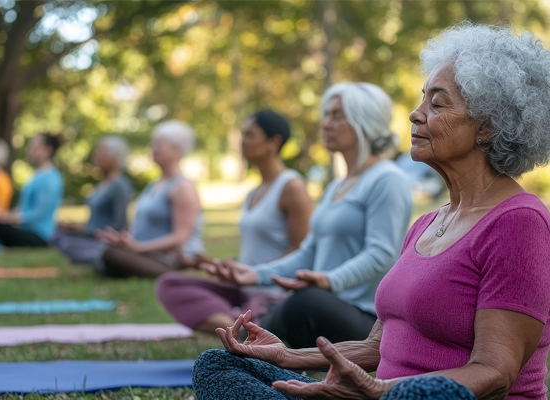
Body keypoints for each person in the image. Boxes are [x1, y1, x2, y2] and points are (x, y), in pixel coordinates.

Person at [192, 22, 550, 400]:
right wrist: (287, 356)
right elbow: (378, 347)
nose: (415, 114)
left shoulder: (519, 223)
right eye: (421, 99)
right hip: (378, 393)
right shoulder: (427, 223)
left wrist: (381, 392)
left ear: (487, 127)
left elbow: (495, 374)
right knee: (219, 366)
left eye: (437, 103)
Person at [201, 82, 413, 349]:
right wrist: (255, 274)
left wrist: (329, 280)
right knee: (303, 299)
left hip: (365, 318)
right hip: (322, 305)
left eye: (336, 116)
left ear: (365, 121)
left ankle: (247, 344)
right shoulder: (337, 185)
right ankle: (252, 342)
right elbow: (308, 252)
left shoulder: (387, 179)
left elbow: (382, 254)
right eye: (326, 115)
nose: (325, 124)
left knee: (305, 299)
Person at [156, 109, 313, 333]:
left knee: (257, 307)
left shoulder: (291, 187)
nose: (242, 141)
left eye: (250, 135)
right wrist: (226, 265)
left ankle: (247, 327)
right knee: (169, 284)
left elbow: (302, 251)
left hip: (275, 294)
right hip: (244, 287)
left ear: (273, 142)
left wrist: (257, 274)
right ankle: (242, 329)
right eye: (243, 134)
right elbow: (258, 251)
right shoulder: (253, 192)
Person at [96, 120, 205, 278]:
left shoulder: (183, 188)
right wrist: (123, 239)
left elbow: (181, 237)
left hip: (171, 261)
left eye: (159, 145)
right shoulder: (153, 185)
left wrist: (138, 248)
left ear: (177, 150)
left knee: (110, 254)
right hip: (144, 254)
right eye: (153, 144)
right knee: (107, 250)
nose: (153, 149)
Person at [52, 136, 133, 270]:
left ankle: (101, 258)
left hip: (104, 242)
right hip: (90, 237)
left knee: (68, 243)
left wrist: (84, 230)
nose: (96, 155)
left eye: (102, 152)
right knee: (58, 234)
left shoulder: (120, 186)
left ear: (116, 158)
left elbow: (119, 225)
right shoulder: (102, 184)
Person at [0, 133, 64, 247]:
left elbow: (38, 213)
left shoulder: (51, 178)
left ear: (48, 150)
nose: (30, 150)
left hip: (40, 236)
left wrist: (6, 217)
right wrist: (3, 216)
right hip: (26, 231)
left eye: (35, 147)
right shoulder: (36, 175)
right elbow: (24, 208)